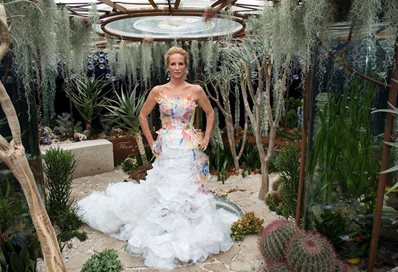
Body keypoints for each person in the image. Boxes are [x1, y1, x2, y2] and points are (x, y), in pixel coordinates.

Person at [77, 47, 238, 270]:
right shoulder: (158, 91)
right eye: (173, 64)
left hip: (188, 147)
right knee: (165, 190)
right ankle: (164, 230)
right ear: (167, 66)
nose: (177, 68)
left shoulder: (196, 90)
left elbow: (210, 113)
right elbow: (143, 115)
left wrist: (207, 136)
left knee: (188, 190)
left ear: (186, 65)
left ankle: (188, 229)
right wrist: (151, 142)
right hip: (168, 148)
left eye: (181, 63)